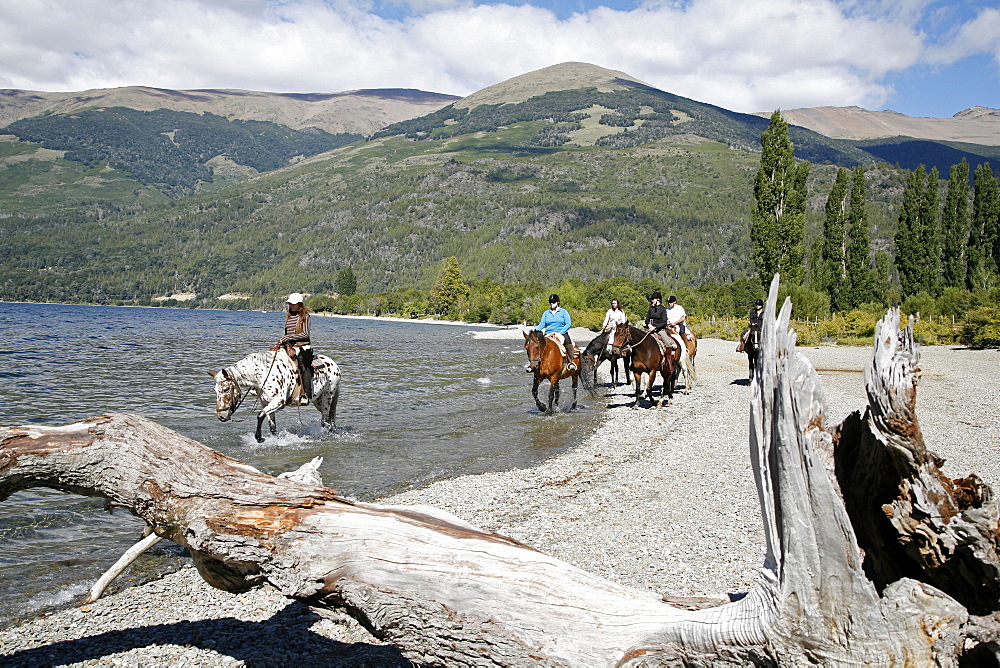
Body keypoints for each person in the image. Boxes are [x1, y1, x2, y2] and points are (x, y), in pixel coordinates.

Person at [274, 293, 314, 402]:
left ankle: (305, 394)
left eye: (294, 304)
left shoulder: (305, 316)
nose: (292, 305)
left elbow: (306, 334)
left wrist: (289, 337)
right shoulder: (289, 316)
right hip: (290, 346)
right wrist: (282, 342)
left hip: (303, 347)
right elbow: (287, 334)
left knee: (303, 366)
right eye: (290, 303)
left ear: (300, 304)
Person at [536, 293, 576, 371]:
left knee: (568, 344)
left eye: (554, 302)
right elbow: (542, 323)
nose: (552, 304)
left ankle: (571, 362)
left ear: (558, 302)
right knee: (536, 345)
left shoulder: (563, 312)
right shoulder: (546, 313)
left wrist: (560, 332)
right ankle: (534, 363)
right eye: (551, 302)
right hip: (548, 333)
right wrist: (535, 331)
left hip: (561, 332)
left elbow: (568, 324)